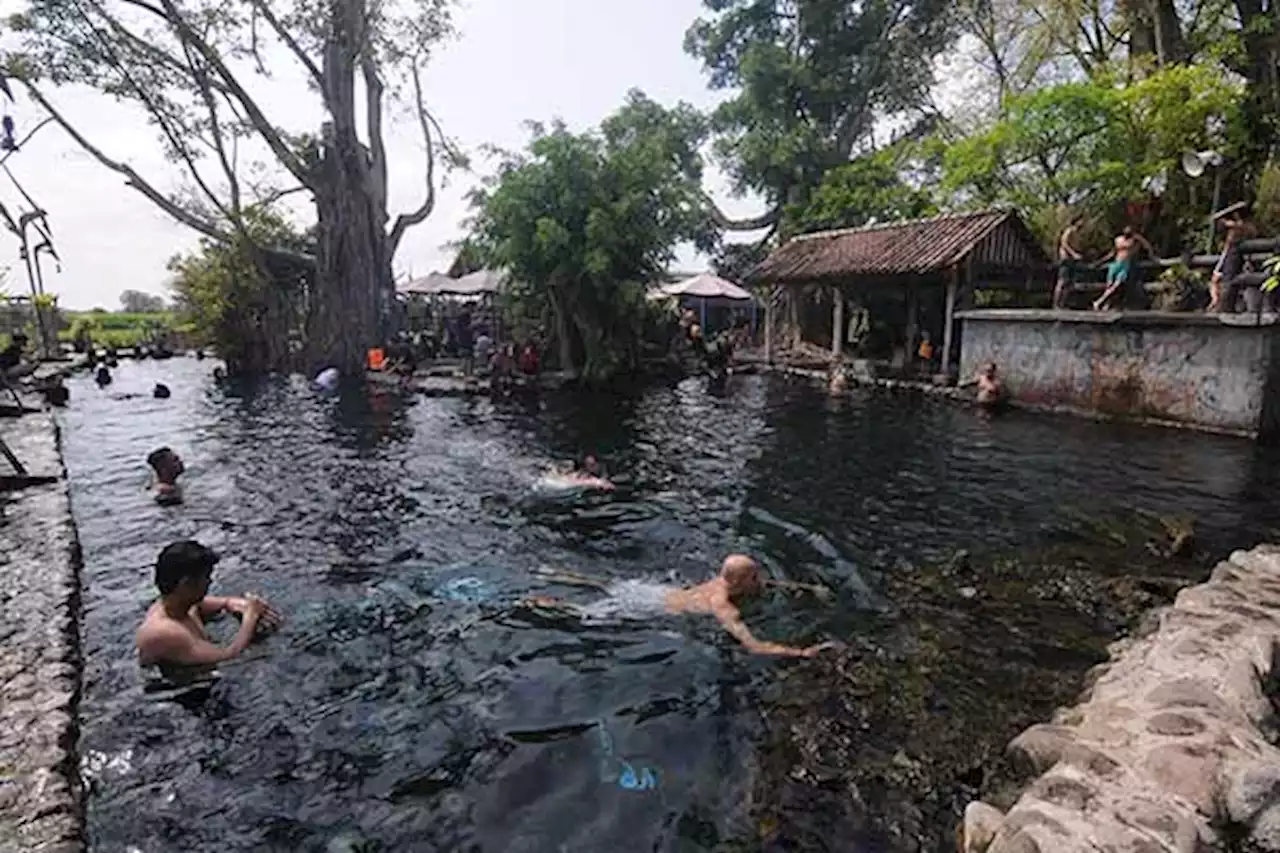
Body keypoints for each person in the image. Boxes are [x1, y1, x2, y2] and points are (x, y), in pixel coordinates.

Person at [527, 555, 833, 658]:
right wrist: (802, 653)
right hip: (652, 608)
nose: (762, 579)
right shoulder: (723, 605)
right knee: (588, 614)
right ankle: (545, 604)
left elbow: (768, 585)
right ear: (742, 582)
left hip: (657, 591)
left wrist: (809, 588)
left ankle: (558, 574)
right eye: (756, 575)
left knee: (609, 584)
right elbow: (753, 646)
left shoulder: (724, 580)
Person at [135, 541, 282, 678]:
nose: (210, 581)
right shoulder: (164, 633)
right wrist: (251, 616)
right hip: (181, 692)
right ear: (186, 584)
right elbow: (230, 655)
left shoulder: (183, 606)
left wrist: (245, 606)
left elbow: (226, 602)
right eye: (206, 576)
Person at [1209, 203, 1257, 313]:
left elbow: (1250, 231)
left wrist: (1233, 224)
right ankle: (1215, 302)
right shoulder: (1231, 227)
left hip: (1234, 256)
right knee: (1215, 280)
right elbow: (1218, 223)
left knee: (1226, 281)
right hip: (1227, 254)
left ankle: (1220, 303)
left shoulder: (1245, 227)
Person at [1094, 226, 1154, 311]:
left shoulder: (1134, 242)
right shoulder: (1118, 240)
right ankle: (1106, 304)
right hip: (1116, 263)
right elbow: (1113, 252)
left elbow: (1147, 246)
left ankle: (1099, 302)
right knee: (1110, 285)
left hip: (1125, 264)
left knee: (1117, 284)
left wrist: (1139, 237)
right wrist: (1101, 261)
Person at [1055, 215, 1086, 309]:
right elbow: (1064, 243)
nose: (1083, 223)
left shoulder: (1077, 234)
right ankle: (1056, 304)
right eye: (1081, 221)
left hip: (1072, 260)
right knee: (1062, 281)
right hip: (1066, 258)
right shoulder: (1069, 231)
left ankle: (1062, 304)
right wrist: (1073, 254)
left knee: (1069, 283)